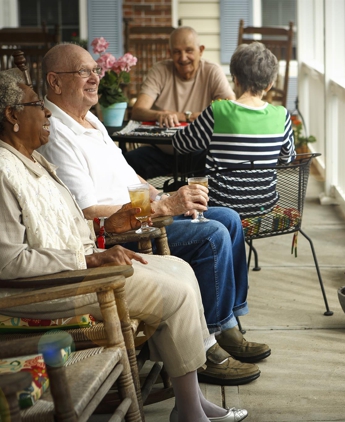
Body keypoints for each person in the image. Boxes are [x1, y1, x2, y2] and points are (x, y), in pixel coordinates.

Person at [0, 68, 249, 422]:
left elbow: (74, 219)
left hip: (82, 267)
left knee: (181, 269)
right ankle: (191, 410)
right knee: (177, 289)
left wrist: (123, 222)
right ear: (11, 115)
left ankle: (190, 401)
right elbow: (9, 262)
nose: (46, 113)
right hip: (58, 287)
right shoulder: (3, 171)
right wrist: (88, 258)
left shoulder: (34, 159)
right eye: (36, 104)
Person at [38, 43, 270, 386]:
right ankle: (208, 347)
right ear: (55, 83)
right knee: (212, 234)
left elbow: (130, 176)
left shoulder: (90, 121)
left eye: (95, 70)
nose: (94, 78)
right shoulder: (57, 133)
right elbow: (89, 212)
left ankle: (227, 324)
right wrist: (161, 208)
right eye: (83, 72)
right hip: (124, 231)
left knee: (228, 218)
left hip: (146, 214)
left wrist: (163, 196)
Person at [173, 42, 295, 217]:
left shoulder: (218, 110)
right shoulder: (282, 115)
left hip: (221, 205)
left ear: (235, 79)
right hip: (264, 205)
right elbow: (287, 158)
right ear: (270, 84)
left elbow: (181, 144)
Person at [126, 26, 236, 179]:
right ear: (170, 53)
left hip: (199, 152)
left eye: (189, 50)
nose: (183, 58)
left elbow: (231, 109)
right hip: (161, 152)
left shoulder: (212, 71)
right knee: (126, 163)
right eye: (177, 52)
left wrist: (183, 116)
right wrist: (159, 114)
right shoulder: (159, 70)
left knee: (224, 163)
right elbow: (138, 111)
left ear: (201, 50)